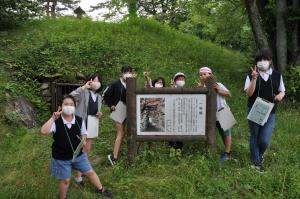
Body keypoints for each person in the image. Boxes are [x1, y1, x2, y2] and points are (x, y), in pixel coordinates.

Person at [41, 95, 112, 199]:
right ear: (61, 106)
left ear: (75, 106)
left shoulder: (79, 120)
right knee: (66, 180)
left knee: (90, 172)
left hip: (78, 155)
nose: (68, 106)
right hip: (62, 158)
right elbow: (43, 131)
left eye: (71, 104)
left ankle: (102, 189)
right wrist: (52, 118)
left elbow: (84, 133)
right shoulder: (56, 122)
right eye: (66, 104)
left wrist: (83, 140)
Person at [244, 49, 285, 172]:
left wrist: (280, 96)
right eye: (259, 60)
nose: (262, 62)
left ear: (270, 60)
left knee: (264, 140)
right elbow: (248, 93)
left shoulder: (277, 75)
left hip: (270, 111)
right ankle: (256, 163)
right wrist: (254, 79)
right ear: (256, 63)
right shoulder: (251, 75)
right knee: (255, 136)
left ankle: (259, 154)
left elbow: (282, 90)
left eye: (265, 59)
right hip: (254, 109)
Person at [69, 73, 103, 186]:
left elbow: (97, 111)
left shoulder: (99, 97)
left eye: (98, 81)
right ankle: (78, 178)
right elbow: (71, 97)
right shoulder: (83, 92)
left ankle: (81, 169)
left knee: (87, 149)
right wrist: (83, 87)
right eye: (94, 80)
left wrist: (99, 113)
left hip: (92, 125)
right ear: (89, 81)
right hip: (81, 124)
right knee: (79, 149)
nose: (96, 82)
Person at [198, 67, 232, 161]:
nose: (203, 76)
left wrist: (219, 90)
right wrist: (199, 88)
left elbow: (229, 94)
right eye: (201, 75)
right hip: (211, 115)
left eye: (205, 74)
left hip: (223, 110)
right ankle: (213, 152)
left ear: (210, 75)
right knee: (218, 133)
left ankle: (227, 152)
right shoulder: (202, 87)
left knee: (227, 133)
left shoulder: (218, 84)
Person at [103, 65, 134, 166]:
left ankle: (123, 155)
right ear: (121, 73)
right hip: (118, 109)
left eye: (130, 71)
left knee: (126, 133)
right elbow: (106, 95)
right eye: (126, 71)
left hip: (128, 110)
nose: (128, 73)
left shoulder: (131, 84)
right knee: (120, 133)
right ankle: (114, 157)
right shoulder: (115, 83)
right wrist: (111, 105)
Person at [169, 72, 186, 157]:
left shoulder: (186, 90)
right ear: (175, 81)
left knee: (181, 132)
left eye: (183, 79)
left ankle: (179, 149)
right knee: (171, 132)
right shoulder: (171, 88)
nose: (181, 81)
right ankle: (172, 148)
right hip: (172, 114)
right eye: (179, 79)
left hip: (182, 115)